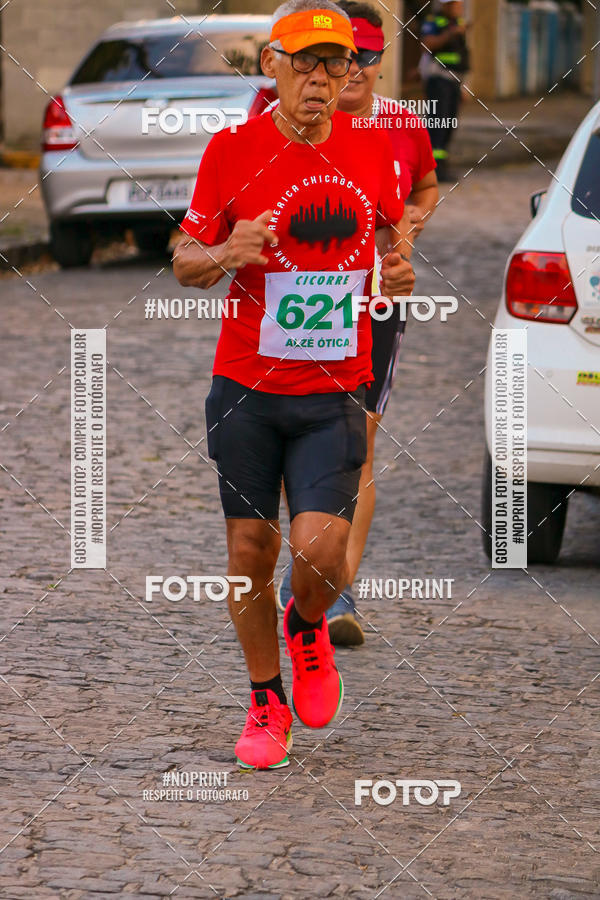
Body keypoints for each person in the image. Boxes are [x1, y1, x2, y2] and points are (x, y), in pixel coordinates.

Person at [173, 0, 415, 770]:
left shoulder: (373, 151)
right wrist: (226, 252)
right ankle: (264, 698)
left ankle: (306, 627)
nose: (320, 79)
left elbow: (389, 236)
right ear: (271, 65)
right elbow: (183, 256)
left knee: (318, 553)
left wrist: (398, 270)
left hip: (334, 388)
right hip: (244, 386)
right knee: (250, 549)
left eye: (336, 64)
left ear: (352, 73)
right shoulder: (230, 150)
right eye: (305, 63)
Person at [277, 0, 438, 647]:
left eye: (368, 57)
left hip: (374, 304)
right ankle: (309, 572)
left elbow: (426, 185)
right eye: (344, 58)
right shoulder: (292, 124)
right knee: (296, 439)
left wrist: (414, 226)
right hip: (298, 303)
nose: (356, 71)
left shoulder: (402, 124)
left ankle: (336, 590)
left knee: (357, 446)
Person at [420, 0, 470, 181]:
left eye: (460, 5)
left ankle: (442, 164)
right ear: (445, 6)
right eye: (455, 4)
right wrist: (450, 34)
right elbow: (427, 44)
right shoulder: (434, 22)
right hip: (438, 79)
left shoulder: (459, 23)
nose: (459, 8)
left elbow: (463, 55)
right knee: (437, 123)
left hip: (455, 81)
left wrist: (464, 86)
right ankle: (433, 167)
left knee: (449, 123)